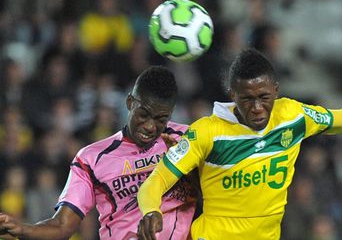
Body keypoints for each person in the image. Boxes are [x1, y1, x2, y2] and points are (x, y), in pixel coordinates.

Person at [136, 49, 342, 240]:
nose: (256, 108)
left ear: (276, 90)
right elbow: (157, 180)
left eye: (264, 97)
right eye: (246, 98)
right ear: (232, 93)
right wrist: (151, 210)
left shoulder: (292, 115)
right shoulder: (206, 133)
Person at [0, 66, 197, 240]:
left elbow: (216, 192)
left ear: (170, 115)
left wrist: (188, 167)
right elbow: (62, 226)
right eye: (143, 114)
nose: (150, 126)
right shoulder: (92, 158)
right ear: (129, 102)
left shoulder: (188, 139)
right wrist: (22, 229)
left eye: (161, 119)